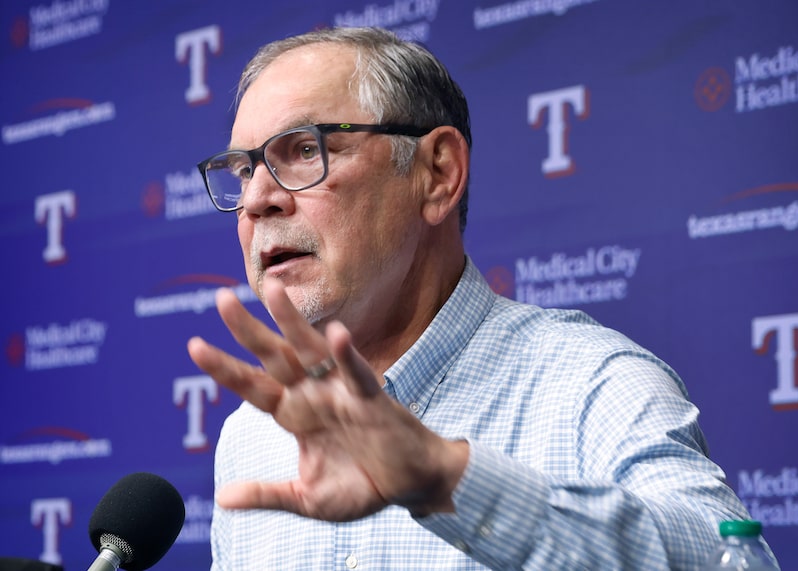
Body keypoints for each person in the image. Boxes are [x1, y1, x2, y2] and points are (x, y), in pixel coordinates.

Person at [188, 26, 766, 570]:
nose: (258, 200)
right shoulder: (253, 436)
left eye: (306, 151)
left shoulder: (591, 386)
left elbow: (736, 561)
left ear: (437, 173)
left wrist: (449, 481)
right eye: (242, 171)